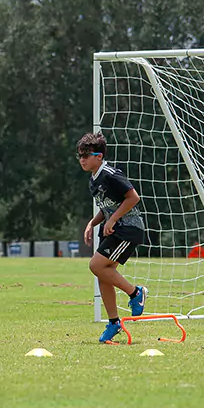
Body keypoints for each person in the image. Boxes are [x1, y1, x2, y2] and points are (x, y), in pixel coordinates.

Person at [78, 131, 148, 343]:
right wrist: (93, 222)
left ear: (99, 156)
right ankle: (114, 323)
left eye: (86, 155)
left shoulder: (110, 174)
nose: (82, 159)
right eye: (80, 155)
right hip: (115, 228)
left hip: (128, 229)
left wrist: (113, 220)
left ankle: (136, 293)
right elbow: (107, 207)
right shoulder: (93, 179)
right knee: (103, 274)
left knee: (96, 266)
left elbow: (133, 197)